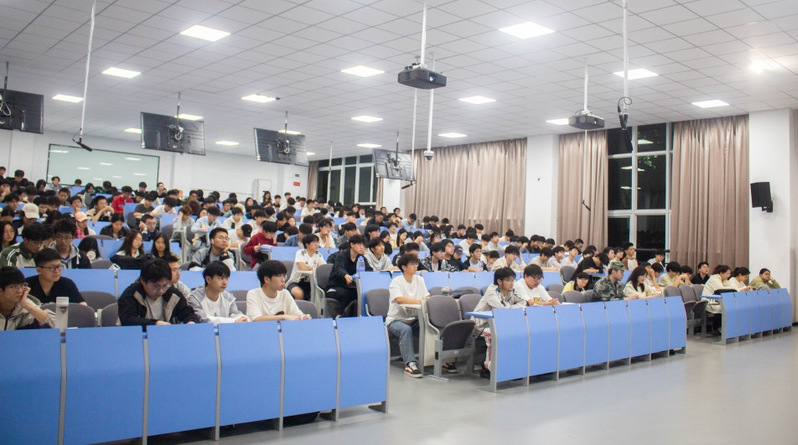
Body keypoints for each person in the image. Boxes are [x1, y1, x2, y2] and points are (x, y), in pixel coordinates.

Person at [472, 267, 528, 378]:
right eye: (508, 280)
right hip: (482, 325)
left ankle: (508, 366)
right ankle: (488, 368)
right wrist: (511, 308)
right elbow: (501, 309)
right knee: (494, 335)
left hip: (499, 323)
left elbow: (523, 302)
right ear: (499, 281)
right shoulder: (492, 292)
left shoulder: (511, 290)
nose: (512, 283)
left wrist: (511, 307)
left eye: (513, 280)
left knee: (517, 334)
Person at [118, 258, 200, 328]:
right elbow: (128, 319)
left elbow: (187, 312)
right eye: (155, 286)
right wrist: (155, 324)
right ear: (142, 281)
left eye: (165, 285)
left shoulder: (172, 294)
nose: (161, 291)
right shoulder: (131, 294)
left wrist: (191, 322)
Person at [386, 253, 430, 378]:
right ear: (404, 267)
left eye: (416, 264)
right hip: (395, 320)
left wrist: (424, 299)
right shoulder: (396, 281)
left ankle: (433, 358)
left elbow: (427, 296)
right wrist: (420, 301)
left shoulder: (420, 280)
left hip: (414, 319)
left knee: (429, 326)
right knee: (405, 329)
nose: (415, 266)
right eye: (412, 264)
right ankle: (410, 363)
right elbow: (399, 299)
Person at [246, 260, 311, 321]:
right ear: (267, 279)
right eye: (279, 276)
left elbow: (297, 313)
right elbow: (256, 319)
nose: (283, 280)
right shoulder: (253, 294)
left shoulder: (285, 293)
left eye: (284, 276)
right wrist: (283, 317)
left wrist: (302, 316)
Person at [189, 261, 248, 325]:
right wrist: (233, 321)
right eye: (221, 278)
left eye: (227, 278)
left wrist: (242, 319)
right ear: (208, 279)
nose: (225, 283)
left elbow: (236, 314)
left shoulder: (228, 297)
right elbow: (203, 319)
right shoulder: (195, 298)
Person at [327, 234, 372, 317]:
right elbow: (339, 269)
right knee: (348, 294)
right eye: (359, 244)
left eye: (363, 245)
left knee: (363, 294)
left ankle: (358, 315)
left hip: (352, 286)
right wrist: (345, 275)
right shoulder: (341, 256)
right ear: (352, 245)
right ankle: (343, 316)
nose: (362, 247)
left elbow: (369, 270)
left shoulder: (361, 258)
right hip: (336, 286)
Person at [286, 234, 326, 300]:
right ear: (307, 244)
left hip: (311, 282)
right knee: (299, 294)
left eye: (317, 242)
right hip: (297, 281)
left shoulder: (318, 254)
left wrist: (311, 268)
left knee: (319, 294)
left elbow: (323, 268)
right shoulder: (300, 253)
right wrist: (315, 269)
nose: (317, 244)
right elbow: (302, 267)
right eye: (314, 242)